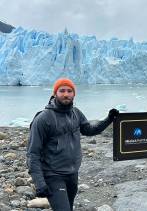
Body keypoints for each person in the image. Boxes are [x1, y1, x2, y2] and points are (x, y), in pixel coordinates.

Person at [26, 78, 119, 211]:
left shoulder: (76, 113)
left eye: (69, 91)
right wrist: (39, 182)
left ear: (74, 94)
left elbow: (89, 130)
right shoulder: (43, 119)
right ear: (55, 93)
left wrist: (108, 119)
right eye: (62, 90)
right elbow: (32, 153)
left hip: (72, 174)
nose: (66, 94)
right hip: (53, 175)